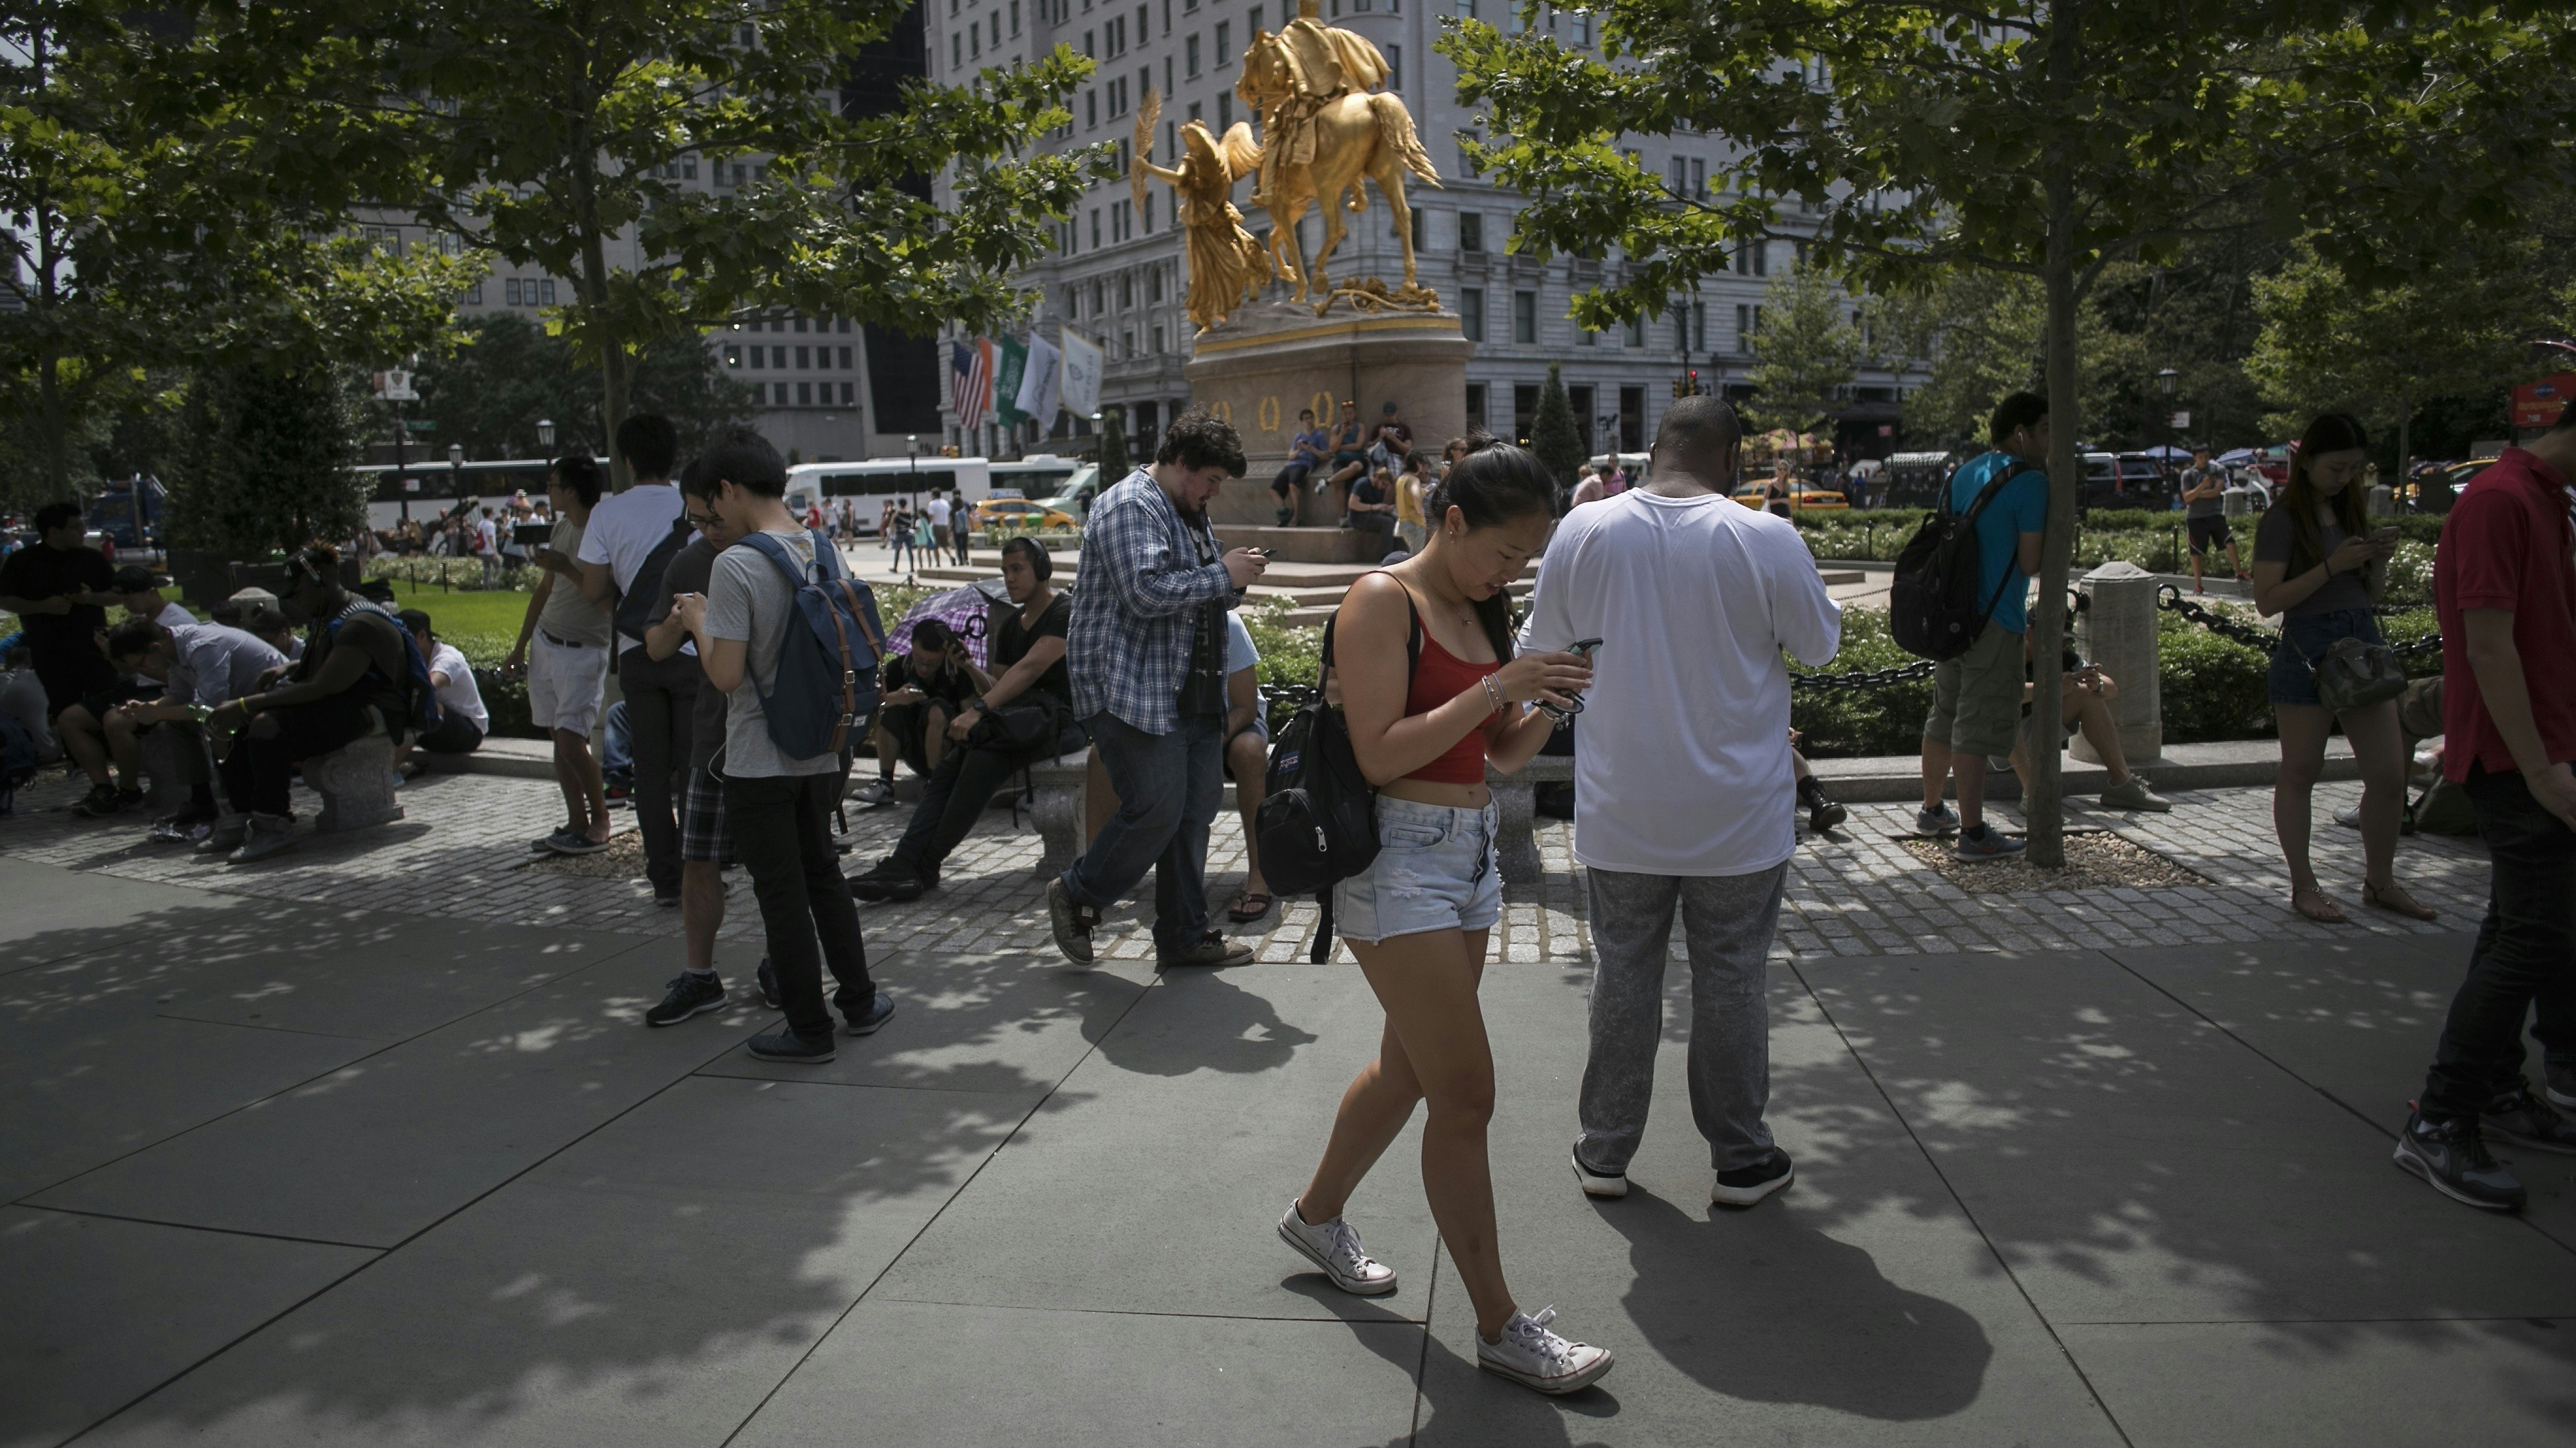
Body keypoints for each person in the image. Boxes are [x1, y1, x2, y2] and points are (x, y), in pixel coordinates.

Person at [1283, 437, 1610, 1396]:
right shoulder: (1381, 598)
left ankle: (1314, 1216)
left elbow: (1499, 754)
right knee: (1464, 1094)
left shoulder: (1478, 605)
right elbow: (1381, 754)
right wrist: (1499, 685)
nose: (1512, 572)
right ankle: (1501, 1324)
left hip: (1467, 857)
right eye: (1505, 552)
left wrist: (1552, 694)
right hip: (1397, 859)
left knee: (1409, 1070)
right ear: (1453, 521)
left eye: (1526, 558)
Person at [1518, 398, 1839, 1221]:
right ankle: (1741, 1156)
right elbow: (1820, 644)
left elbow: (1540, 650)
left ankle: (1604, 1147)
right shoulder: (1765, 534)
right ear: (1731, 455)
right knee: (1731, 977)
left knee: (1624, 972)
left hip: (1623, 804)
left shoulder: (1583, 529)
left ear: (1653, 447)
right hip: (1738, 812)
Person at [2390, 403, 2576, 1212]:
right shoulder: (2501, 500)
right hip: (2521, 757)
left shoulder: (2537, 497)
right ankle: (2441, 1117)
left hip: (2539, 749)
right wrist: (2541, 770)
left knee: (2519, 930)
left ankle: (2489, 1089)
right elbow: (2488, 644)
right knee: (2533, 937)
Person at [670, 429, 891, 1061]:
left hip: (759, 759)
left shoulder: (736, 564)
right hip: (820, 746)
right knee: (823, 874)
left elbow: (725, 674)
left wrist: (698, 622)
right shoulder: (824, 548)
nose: (715, 515)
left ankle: (809, 1029)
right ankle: (860, 1001)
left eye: (714, 502)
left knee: (781, 894)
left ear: (728, 489)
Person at [1043, 409, 1271, 969]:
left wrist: (1235, 577)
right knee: (1156, 811)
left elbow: (1202, 592)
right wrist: (1223, 574)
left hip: (1192, 693)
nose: (1215, 492)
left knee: (1192, 817)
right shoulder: (1131, 504)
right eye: (1211, 479)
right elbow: (1145, 592)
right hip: (1134, 691)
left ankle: (1183, 935)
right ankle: (1076, 891)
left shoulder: (1189, 509)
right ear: (1181, 462)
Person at [2250, 413, 2433, 925]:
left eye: (2355, 468)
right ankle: (2304, 885)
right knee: (2301, 770)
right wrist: (2332, 565)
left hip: (2361, 643)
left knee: (2389, 773)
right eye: (2336, 468)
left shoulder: (2351, 509)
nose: (2345, 478)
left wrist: (2377, 560)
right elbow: (2267, 600)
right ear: (2307, 461)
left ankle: (2380, 881)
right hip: (2308, 649)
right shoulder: (2283, 520)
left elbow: (2369, 593)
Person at [851, 537, 1087, 901]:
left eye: (1018, 569)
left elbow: (1031, 668)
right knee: (950, 766)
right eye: (1005, 571)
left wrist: (977, 711)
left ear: (1042, 569)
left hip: (1062, 725)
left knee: (981, 761)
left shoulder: (1064, 612)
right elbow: (1001, 687)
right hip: (1017, 723)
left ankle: (924, 865)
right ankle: (905, 861)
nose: (1009, 578)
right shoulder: (1012, 624)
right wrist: (970, 668)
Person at [641, 464, 772, 1026]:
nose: (709, 529)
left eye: (714, 518)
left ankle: (781, 963)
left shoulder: (773, 553)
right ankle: (699, 975)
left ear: (733, 498)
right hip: (712, 738)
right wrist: (682, 621)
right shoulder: (689, 561)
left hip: (773, 736)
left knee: (777, 860)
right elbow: (654, 645)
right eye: (697, 520)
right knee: (698, 857)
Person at [198, 543, 414, 863]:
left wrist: (244, 704)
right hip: (343, 701)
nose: (296, 601)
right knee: (241, 724)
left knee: (266, 725)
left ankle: (272, 824)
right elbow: (328, 666)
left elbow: (323, 686)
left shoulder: (361, 622)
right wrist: (289, 668)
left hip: (374, 711)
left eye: (298, 592)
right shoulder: (330, 615)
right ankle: (242, 814)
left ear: (320, 580)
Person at [1917, 392, 2050, 860]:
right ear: (2021, 433)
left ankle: (1933, 810)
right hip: (1997, 618)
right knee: (1975, 724)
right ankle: (1973, 834)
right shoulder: (2031, 482)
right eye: (2046, 431)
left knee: (1945, 713)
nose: (2050, 441)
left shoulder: (1963, 473)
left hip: (1953, 616)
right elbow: (2031, 562)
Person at [1082, 609, 1277, 919]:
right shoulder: (1145, 624)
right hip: (1169, 726)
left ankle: (1260, 876)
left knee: (1250, 752)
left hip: (1230, 722)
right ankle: (1090, 881)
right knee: (1100, 755)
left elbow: (1245, 708)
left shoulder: (1226, 623)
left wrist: (1202, 746)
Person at [580, 414, 694, 904]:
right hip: (693, 648)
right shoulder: (693, 506)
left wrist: (632, 607)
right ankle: (700, 873)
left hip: (637, 651)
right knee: (694, 766)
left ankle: (665, 879)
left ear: (626, 460)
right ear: (673, 456)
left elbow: (593, 590)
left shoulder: (607, 513)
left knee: (649, 771)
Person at [507, 454, 617, 856]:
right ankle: (577, 821)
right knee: (559, 739)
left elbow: (608, 602)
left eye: (553, 484)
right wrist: (521, 644)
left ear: (570, 491)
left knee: (570, 742)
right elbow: (545, 590)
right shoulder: (562, 527)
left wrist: (567, 567)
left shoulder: (601, 532)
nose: (548, 491)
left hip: (583, 651)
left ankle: (601, 820)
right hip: (547, 643)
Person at [100, 614, 285, 840]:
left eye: (141, 664)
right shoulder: (174, 653)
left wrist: (157, 713)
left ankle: (240, 811)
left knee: (217, 724)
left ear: (155, 648)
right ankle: (201, 800)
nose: (143, 670)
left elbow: (210, 709)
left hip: (274, 705)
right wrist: (149, 707)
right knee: (178, 722)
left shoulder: (203, 647)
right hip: (242, 704)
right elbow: (179, 696)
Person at [2000, 646, 2173, 813]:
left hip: (2035, 738)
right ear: (2028, 632)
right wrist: (2051, 687)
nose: (2060, 642)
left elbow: (2112, 690)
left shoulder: (2063, 655)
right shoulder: (2002, 651)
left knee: (2088, 694)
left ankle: (2122, 783)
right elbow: (1995, 694)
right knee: (2002, 706)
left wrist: (2097, 684)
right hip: (1997, 747)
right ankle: (2033, 794)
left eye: (2065, 637)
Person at [0, 502, 118, 742]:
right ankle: (77, 756)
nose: (83, 532)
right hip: (50, 649)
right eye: (76, 527)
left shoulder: (92, 559)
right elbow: (5, 600)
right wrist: (42, 606)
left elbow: (117, 595)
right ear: (54, 531)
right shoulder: (23, 562)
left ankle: (112, 751)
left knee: (106, 704)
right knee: (64, 707)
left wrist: (91, 598)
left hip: (95, 647)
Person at [849, 616, 977, 807]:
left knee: (936, 710)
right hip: (911, 748)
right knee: (888, 709)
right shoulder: (898, 669)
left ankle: (934, 783)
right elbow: (869, 706)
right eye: (919, 660)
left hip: (946, 751)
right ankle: (885, 782)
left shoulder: (955, 673)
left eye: (931, 663)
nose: (924, 668)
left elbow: (970, 715)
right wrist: (897, 698)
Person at [397, 609, 488, 759]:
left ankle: (394, 767)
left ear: (422, 635)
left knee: (422, 702)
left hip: (469, 732)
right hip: (436, 729)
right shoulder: (410, 659)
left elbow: (428, 688)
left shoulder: (448, 658)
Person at [2179, 444, 2247, 593]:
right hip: (2196, 517)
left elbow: (2216, 492)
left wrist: (2195, 494)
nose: (2204, 460)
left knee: (2229, 541)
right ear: (2194, 458)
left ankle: (2239, 572)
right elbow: (2187, 498)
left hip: (2215, 514)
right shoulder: (2188, 474)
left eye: (2206, 456)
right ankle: (2198, 585)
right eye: (2200, 457)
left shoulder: (2218, 470)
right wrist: (2203, 486)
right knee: (2196, 551)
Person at [1274, 408, 1329, 524]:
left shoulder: (1319, 435)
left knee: (1293, 485)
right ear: (1302, 421)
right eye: (1306, 419)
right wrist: (1299, 450)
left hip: (1305, 464)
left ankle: (1296, 517)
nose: (1309, 420)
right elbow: (1290, 456)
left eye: (1310, 418)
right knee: (1274, 489)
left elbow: (1325, 456)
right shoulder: (1299, 436)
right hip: (1292, 464)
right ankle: (1285, 515)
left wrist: (1311, 448)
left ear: (1314, 419)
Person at [1322, 398, 1368, 521]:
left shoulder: (1360, 427)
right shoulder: (1336, 429)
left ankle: (1328, 481)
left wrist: (1341, 447)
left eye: (1350, 413)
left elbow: (1358, 445)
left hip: (1356, 459)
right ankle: (1342, 517)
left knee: (1356, 466)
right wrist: (1342, 434)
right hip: (1341, 461)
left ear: (1355, 413)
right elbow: (1332, 449)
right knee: (1339, 484)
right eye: (1345, 414)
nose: (1348, 416)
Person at [1346, 465, 1398, 541]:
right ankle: (1387, 549)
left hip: (1372, 514)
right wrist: (1372, 507)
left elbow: (1377, 507)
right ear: (1377, 477)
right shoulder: (1362, 483)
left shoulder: (1380, 489)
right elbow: (1352, 504)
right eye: (1383, 484)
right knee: (1388, 522)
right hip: (1358, 517)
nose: (1384, 487)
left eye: (1386, 486)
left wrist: (1386, 509)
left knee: (1396, 520)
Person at [1393, 453, 1430, 556]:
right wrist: (1420, 511)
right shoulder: (1414, 480)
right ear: (1418, 464)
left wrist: (1424, 491)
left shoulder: (1401, 479)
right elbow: (1416, 495)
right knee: (1416, 556)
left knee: (1413, 554)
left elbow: (1407, 495)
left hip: (1403, 523)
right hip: (1415, 523)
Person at [926, 490, 954, 564]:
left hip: (936, 526)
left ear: (933, 495)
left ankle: (938, 563)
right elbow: (949, 515)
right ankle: (951, 556)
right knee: (945, 545)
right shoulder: (945, 503)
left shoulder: (932, 504)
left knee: (936, 546)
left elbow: (931, 516)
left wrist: (928, 524)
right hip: (945, 525)